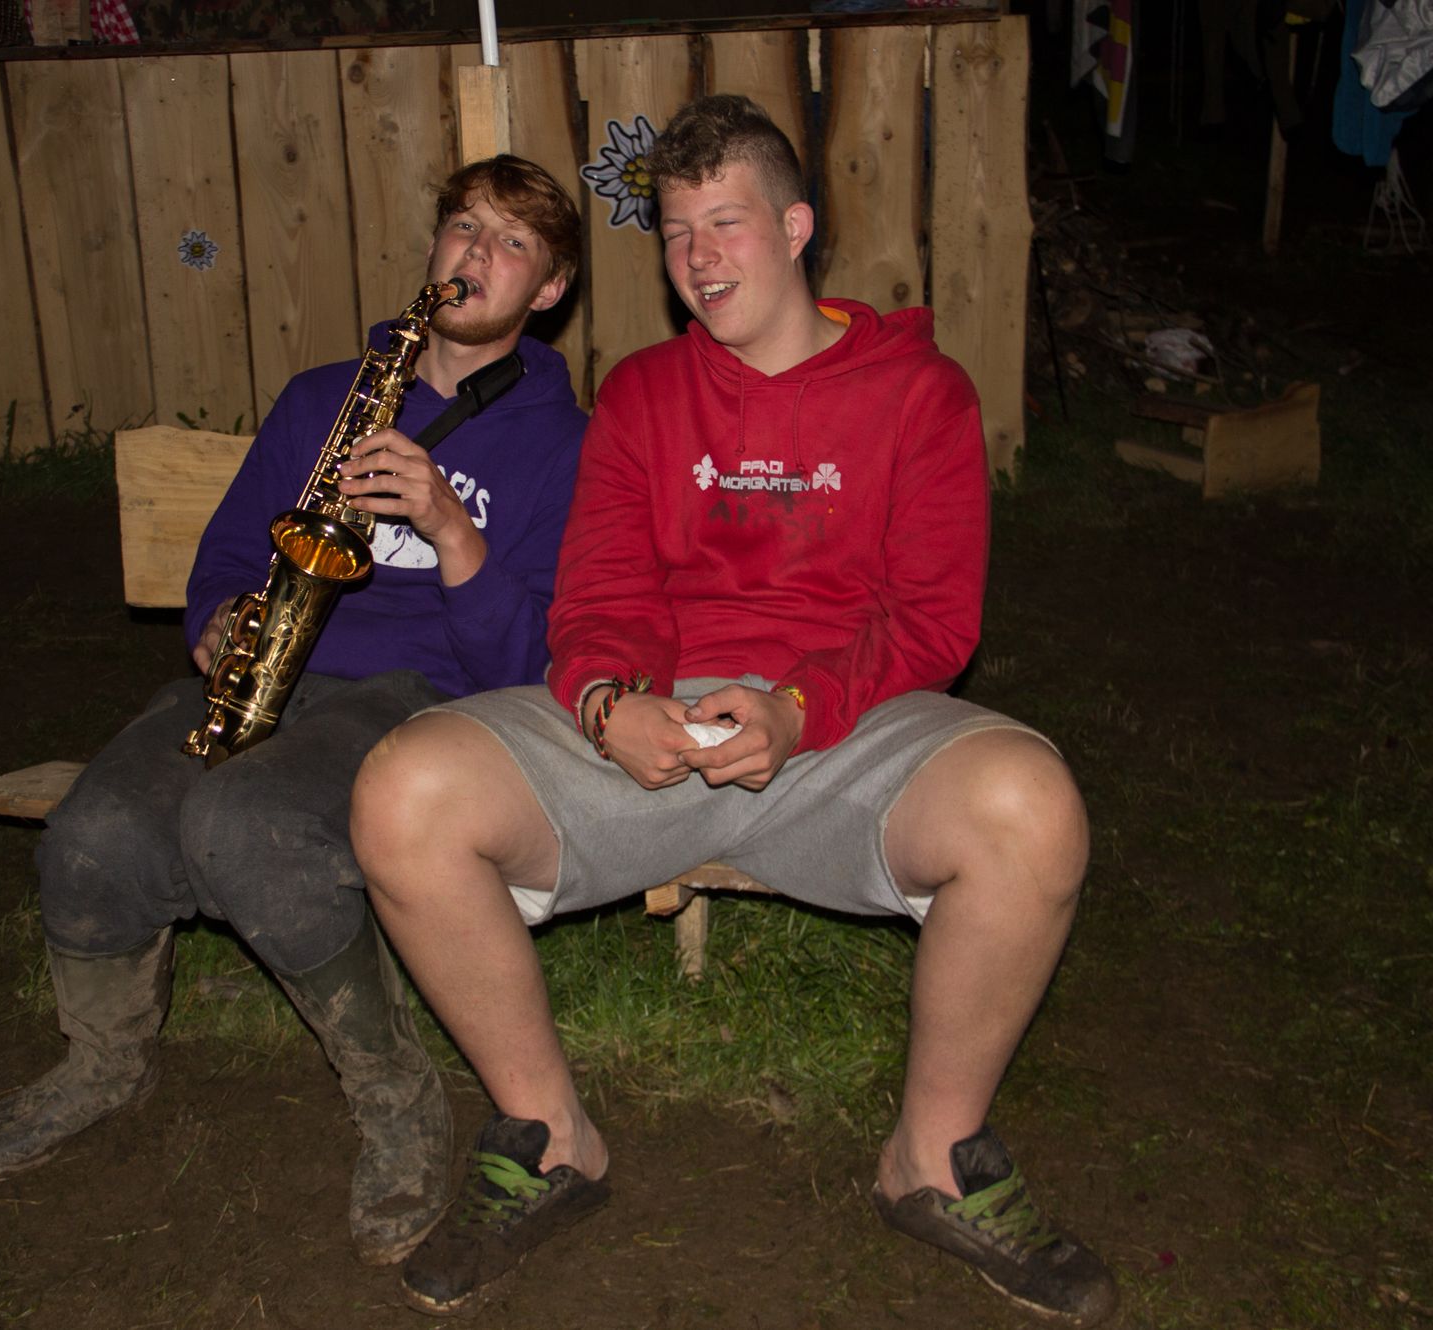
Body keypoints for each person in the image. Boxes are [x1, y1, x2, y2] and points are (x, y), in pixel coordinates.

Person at [351, 97, 1118, 1325]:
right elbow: (600, 590)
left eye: (726, 223)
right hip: (650, 734)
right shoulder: (645, 392)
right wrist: (606, 700)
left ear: (797, 227)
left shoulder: (920, 392)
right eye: (674, 232)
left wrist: (799, 709)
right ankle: (548, 1136)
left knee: (1032, 804)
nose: (698, 258)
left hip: (842, 735)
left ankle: (933, 1156)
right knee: (403, 790)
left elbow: (933, 618)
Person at [0, 155, 588, 1270]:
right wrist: (218, 620)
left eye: (511, 243)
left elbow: (523, 660)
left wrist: (449, 527)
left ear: (549, 289)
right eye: (462, 227)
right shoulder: (320, 399)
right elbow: (229, 555)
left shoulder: (563, 443)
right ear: (432, 248)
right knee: (96, 830)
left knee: (249, 826)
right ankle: (103, 1062)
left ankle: (396, 1096)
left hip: (425, 702)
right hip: (272, 670)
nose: (474, 256)